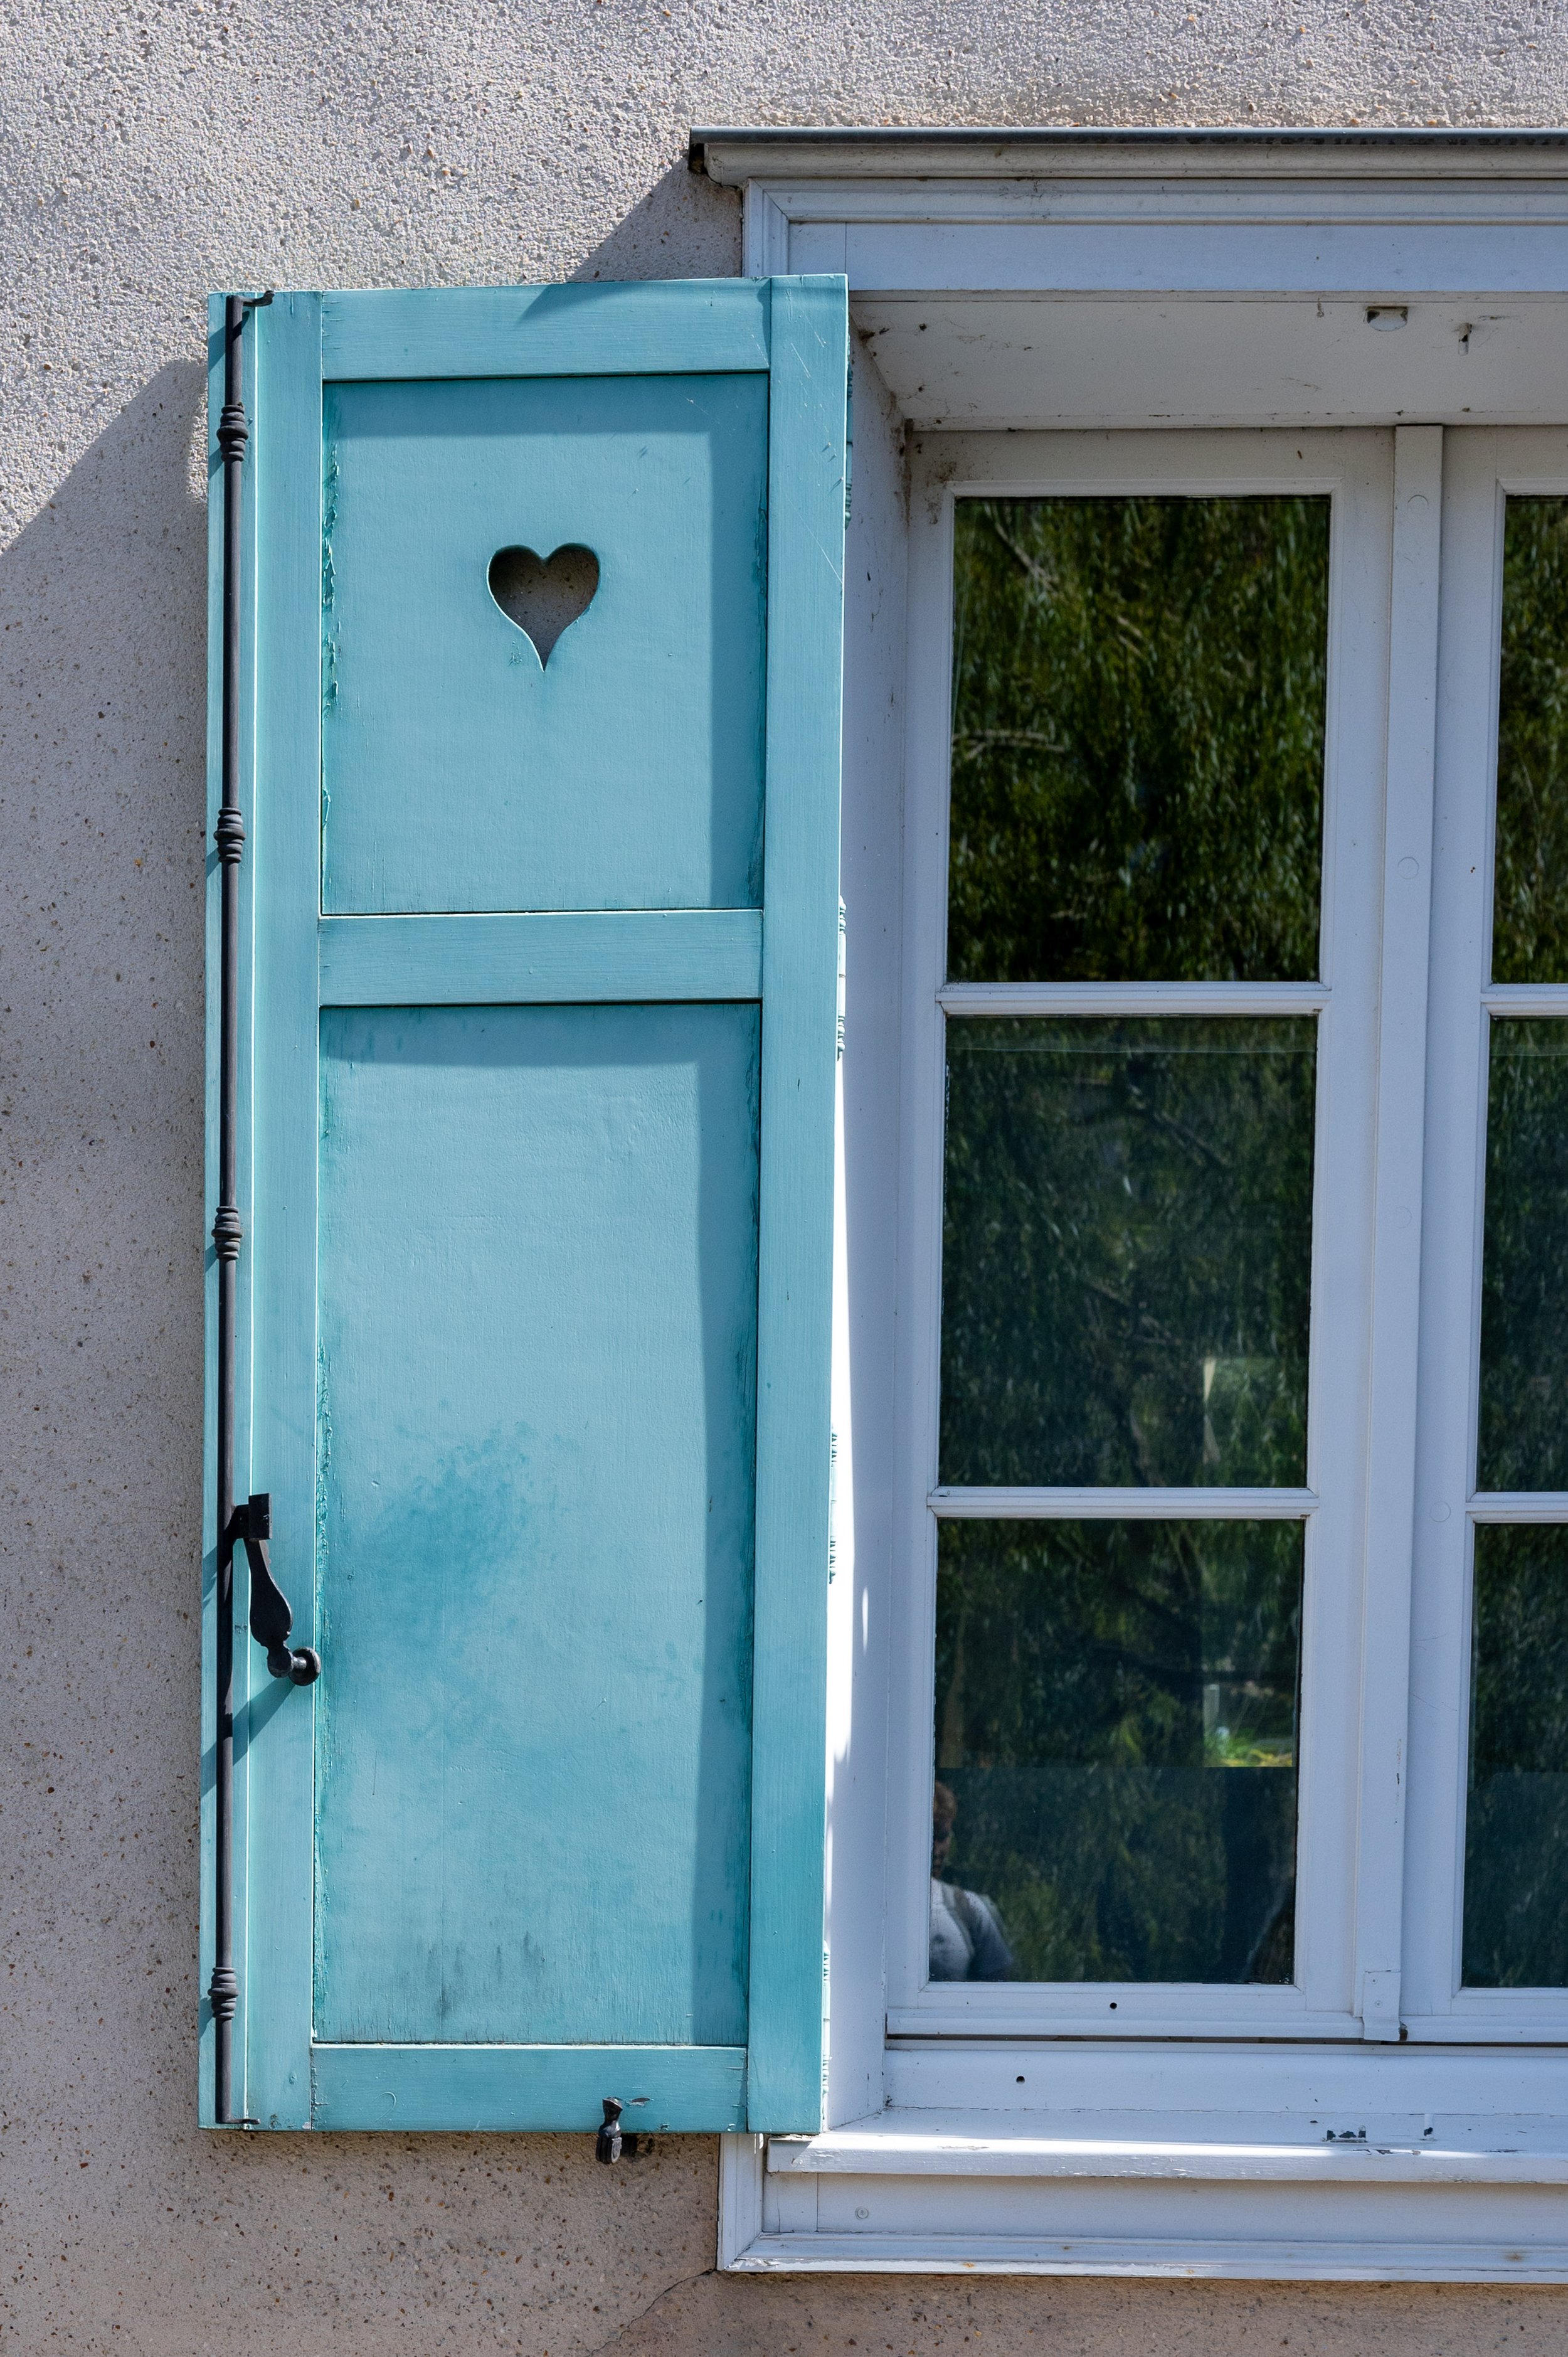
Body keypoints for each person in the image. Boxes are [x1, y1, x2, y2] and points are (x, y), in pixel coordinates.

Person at [928, 1782, 1013, 1981]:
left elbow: (1000, 1990)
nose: (936, 1851)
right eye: (928, 1837)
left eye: (942, 1837)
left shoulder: (969, 1909)